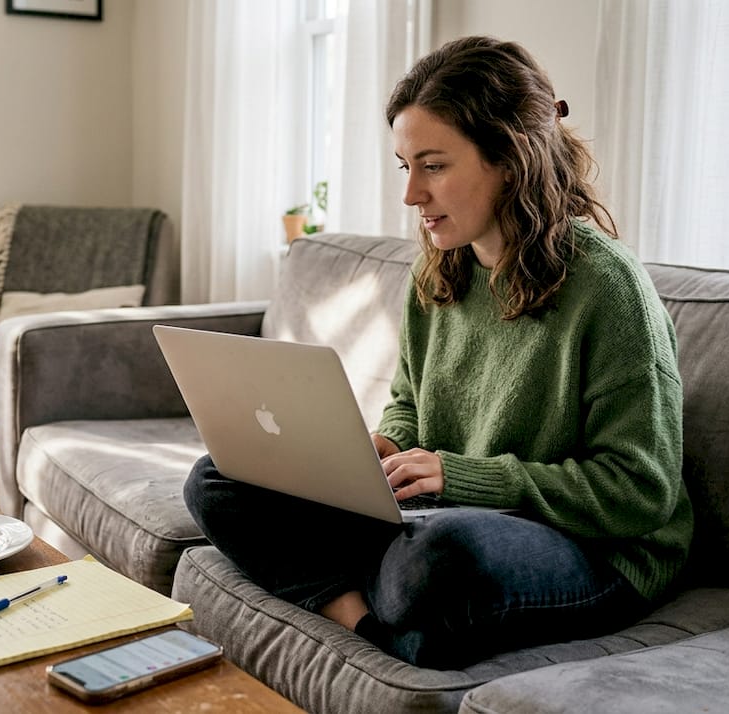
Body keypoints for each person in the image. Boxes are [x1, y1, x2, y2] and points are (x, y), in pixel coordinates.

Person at [182, 36, 693, 669]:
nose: (411, 195)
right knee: (218, 477)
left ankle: (386, 594)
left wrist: (459, 475)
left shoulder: (609, 290)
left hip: (597, 549)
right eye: (405, 166)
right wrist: (388, 447)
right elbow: (408, 402)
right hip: (449, 512)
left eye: (434, 165)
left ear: (510, 157)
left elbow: (640, 491)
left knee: (438, 556)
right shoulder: (442, 269)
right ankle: (363, 617)